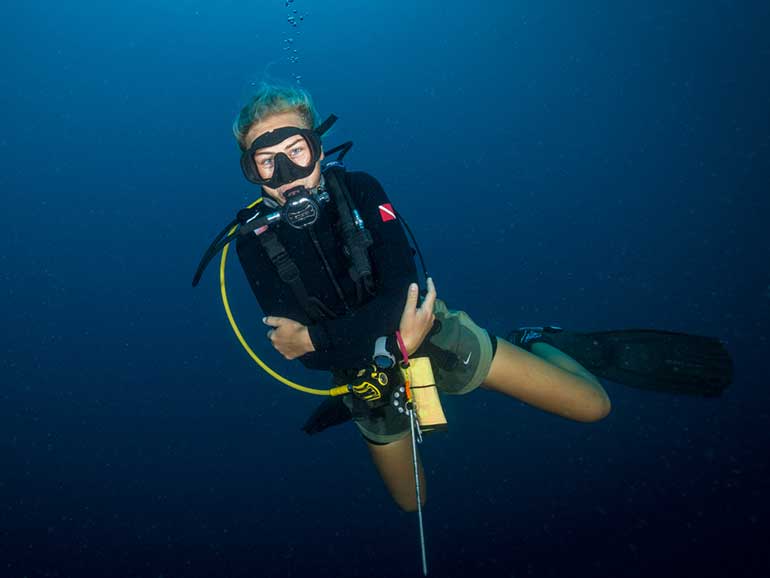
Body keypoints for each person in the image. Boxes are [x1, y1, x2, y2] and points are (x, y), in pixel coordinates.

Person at [222, 83, 731, 512]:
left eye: (295, 152)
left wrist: (325, 337)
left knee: (594, 407)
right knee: (412, 501)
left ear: (317, 146)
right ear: (252, 171)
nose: (287, 174)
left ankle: (540, 340)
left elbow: (404, 290)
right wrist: (380, 341)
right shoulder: (251, 244)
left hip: (432, 332)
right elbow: (300, 356)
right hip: (365, 378)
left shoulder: (360, 188)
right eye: (267, 163)